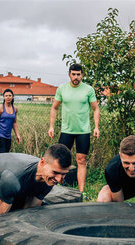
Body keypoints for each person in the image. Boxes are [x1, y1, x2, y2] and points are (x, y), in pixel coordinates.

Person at [48, 63, 100, 193]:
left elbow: (96, 108)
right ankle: (56, 188)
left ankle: (81, 192)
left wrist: (96, 127)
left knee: (81, 160)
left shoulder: (88, 89)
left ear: (82, 75)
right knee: (60, 159)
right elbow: (54, 107)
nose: (76, 77)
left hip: (83, 131)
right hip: (66, 131)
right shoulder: (62, 89)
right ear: (69, 74)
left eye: (78, 74)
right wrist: (51, 126)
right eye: (73, 74)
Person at [0, 89, 22, 153]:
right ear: (3, 97)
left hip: (8, 135)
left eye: (10, 95)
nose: (8, 97)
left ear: (13, 97)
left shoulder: (15, 108)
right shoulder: (0, 107)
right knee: (2, 154)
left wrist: (17, 135)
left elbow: (14, 122)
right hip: (0, 134)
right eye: (6, 96)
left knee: (6, 154)